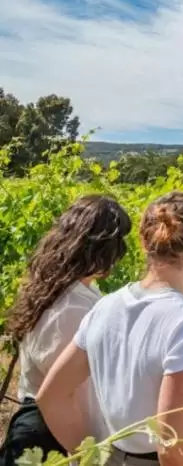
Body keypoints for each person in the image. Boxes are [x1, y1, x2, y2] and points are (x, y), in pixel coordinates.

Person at [37, 191, 183, 466]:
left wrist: (92, 458)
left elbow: (50, 396)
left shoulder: (105, 306)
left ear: (143, 241)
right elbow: (172, 448)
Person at [0, 195, 132, 466]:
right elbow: (63, 396)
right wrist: (89, 457)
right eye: (118, 244)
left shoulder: (65, 287)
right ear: (100, 248)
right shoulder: (71, 309)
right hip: (51, 437)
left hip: (49, 430)